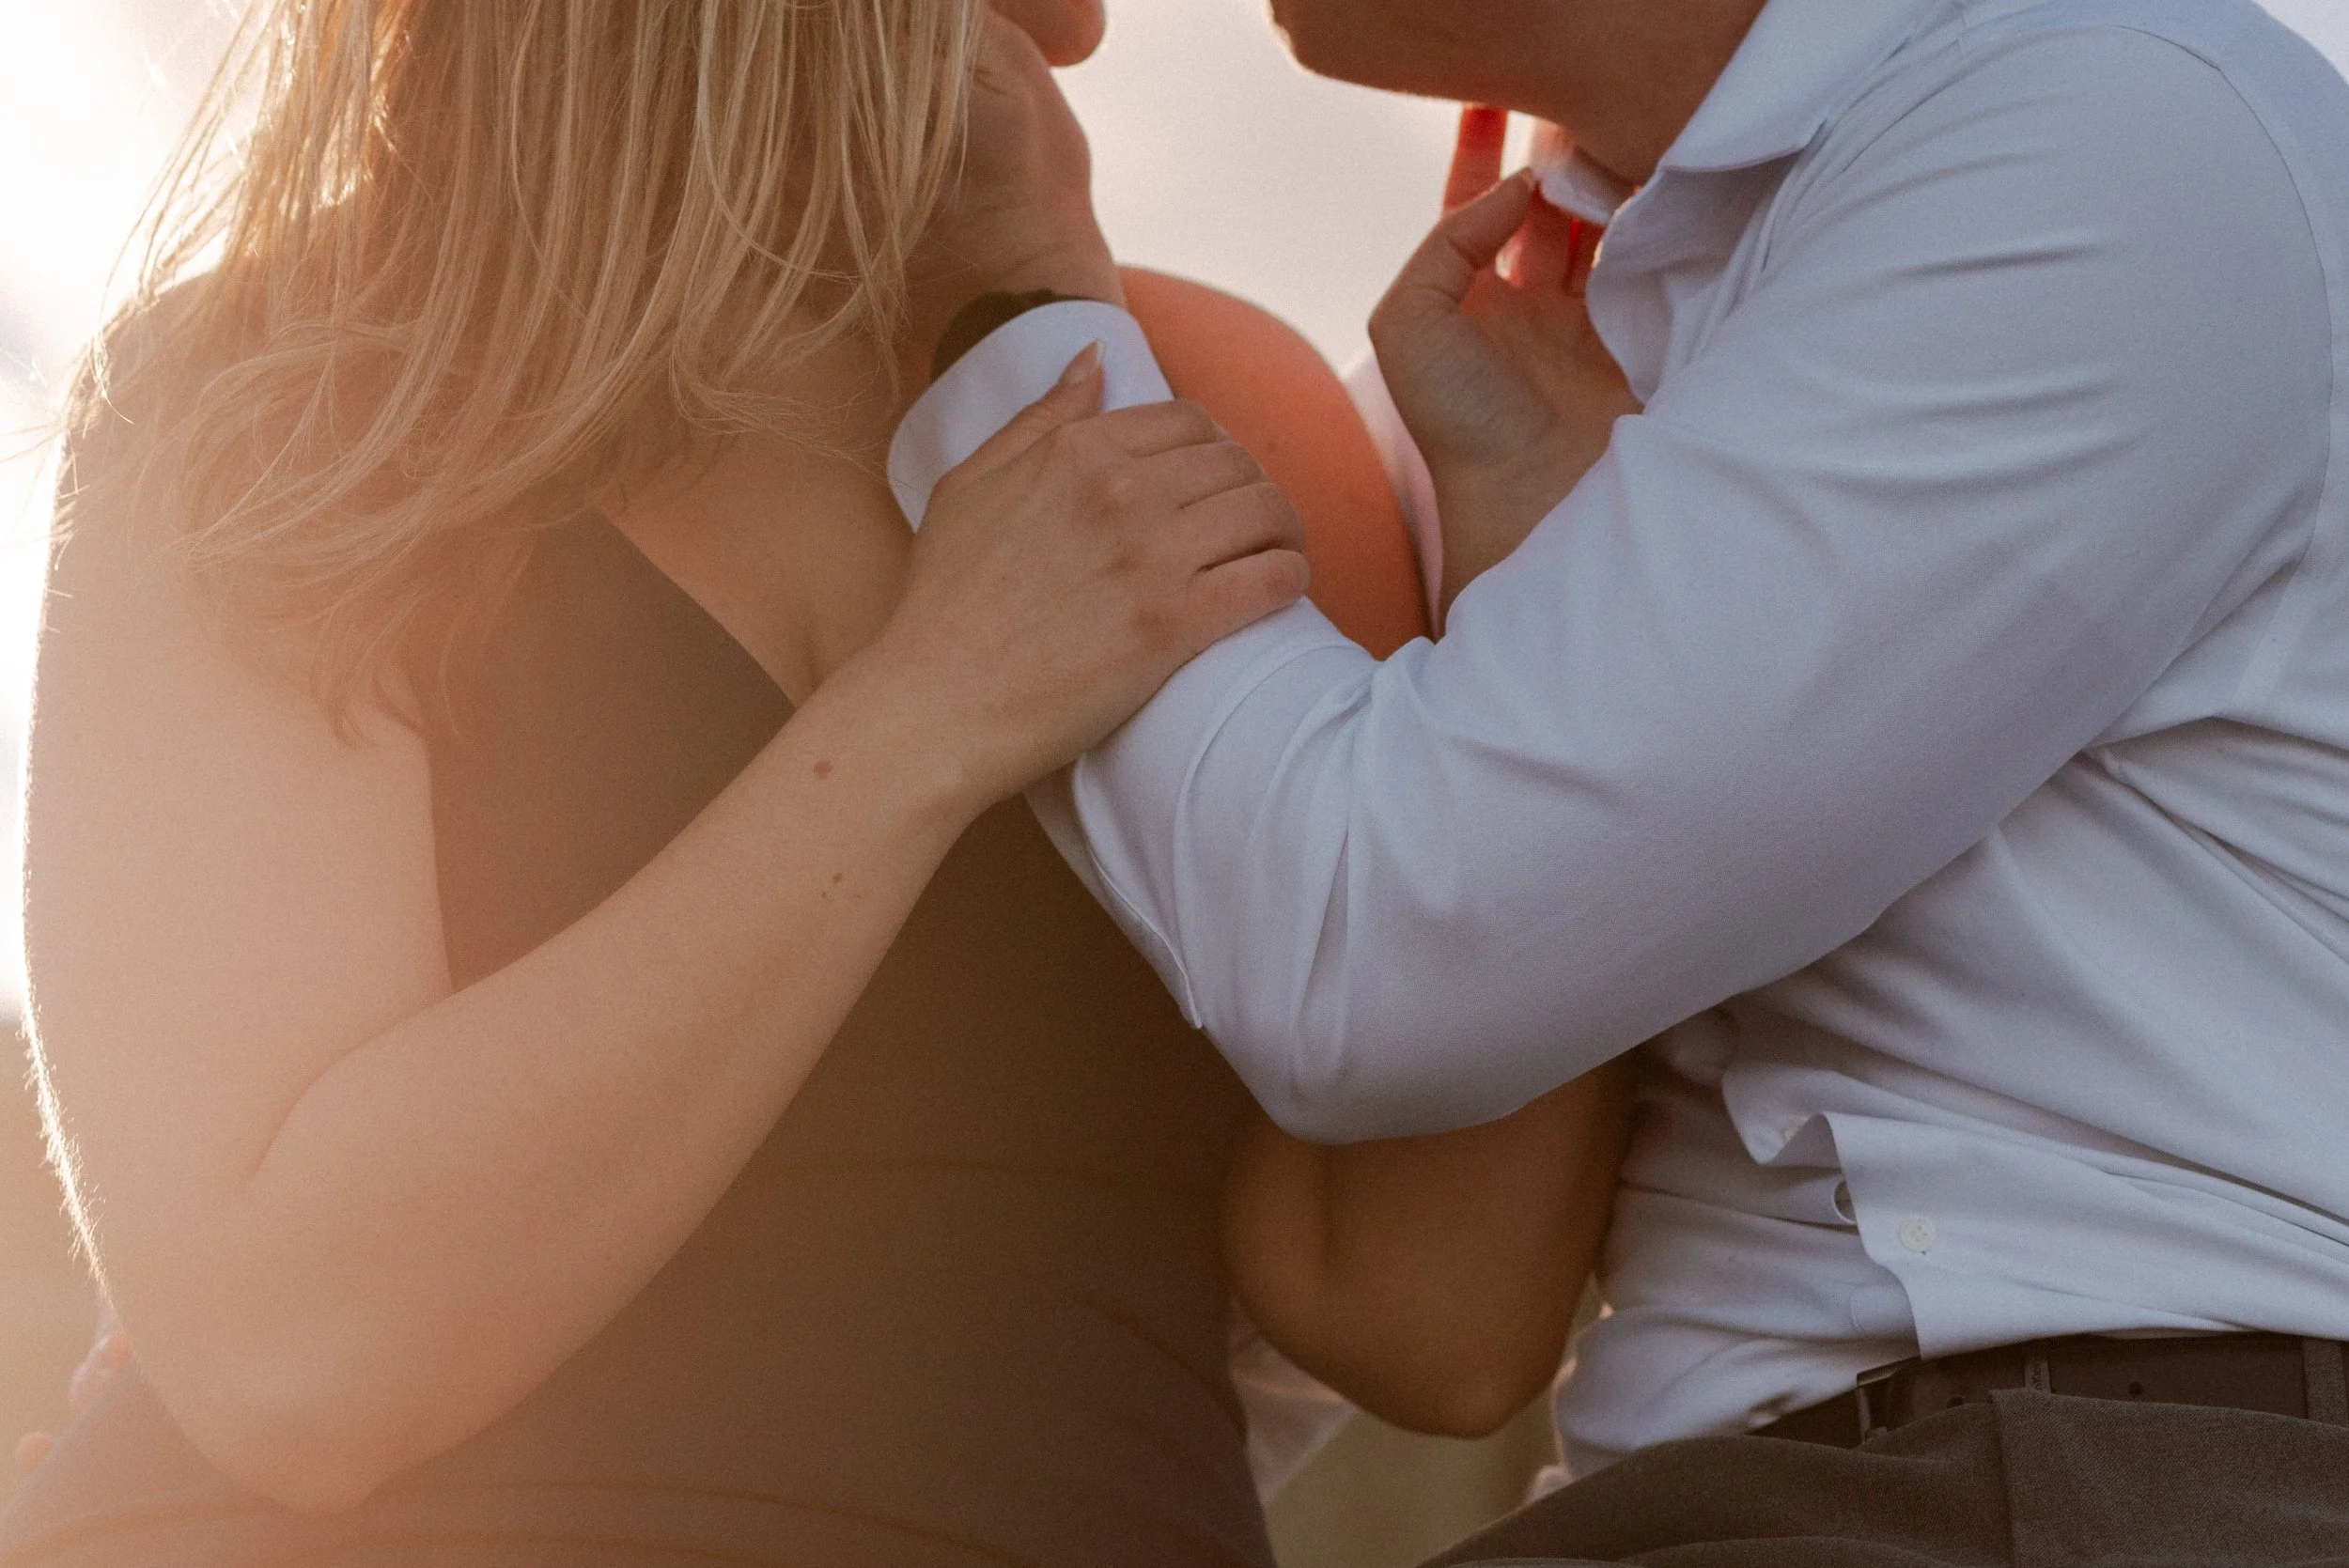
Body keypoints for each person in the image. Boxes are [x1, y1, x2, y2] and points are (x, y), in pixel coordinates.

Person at [2, 0, 1567, 1561]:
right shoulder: (298, 387)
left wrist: (1533, 549)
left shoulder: (1225, 390)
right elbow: (297, 1369)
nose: (1086, 34)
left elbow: (1437, 1321)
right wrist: (931, 712)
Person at [893, 0, 2349, 1559]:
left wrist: (1019, 305)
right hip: (1754, 1490)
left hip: (2127, 1474)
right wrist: (1521, 536)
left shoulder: (2110, 142)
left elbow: (1385, 973)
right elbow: (1410, 1293)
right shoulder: (1511, 333)